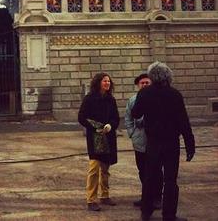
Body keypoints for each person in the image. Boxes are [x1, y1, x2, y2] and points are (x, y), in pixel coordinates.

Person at [132, 61, 195, 221]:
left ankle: (146, 212)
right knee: (170, 180)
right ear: (168, 76)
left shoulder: (144, 93)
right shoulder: (175, 94)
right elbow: (183, 121)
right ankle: (169, 215)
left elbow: (135, 113)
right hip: (171, 143)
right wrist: (190, 144)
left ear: (151, 76)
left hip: (152, 142)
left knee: (149, 177)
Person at [78, 72, 120, 212]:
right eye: (104, 81)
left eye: (108, 81)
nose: (107, 83)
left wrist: (110, 126)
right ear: (98, 83)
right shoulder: (89, 99)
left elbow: (116, 118)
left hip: (108, 137)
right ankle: (91, 200)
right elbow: (82, 117)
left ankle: (105, 195)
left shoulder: (111, 99)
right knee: (94, 169)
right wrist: (94, 127)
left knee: (105, 170)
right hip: (95, 138)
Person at [125, 73, 163, 208]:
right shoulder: (132, 100)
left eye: (147, 82)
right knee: (142, 171)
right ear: (137, 85)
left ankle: (158, 197)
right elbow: (128, 118)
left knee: (157, 170)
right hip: (139, 141)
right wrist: (132, 133)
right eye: (142, 83)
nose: (145, 85)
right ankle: (147, 197)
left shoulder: (157, 98)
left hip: (155, 141)